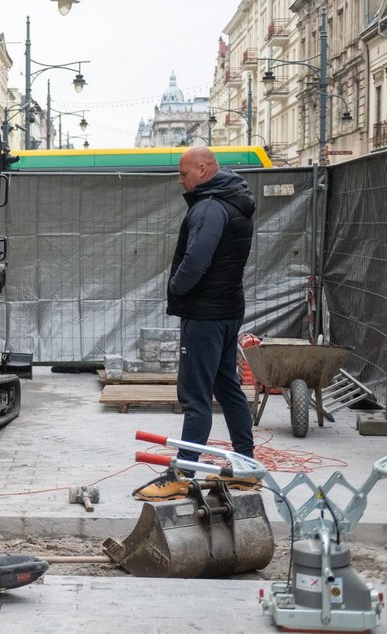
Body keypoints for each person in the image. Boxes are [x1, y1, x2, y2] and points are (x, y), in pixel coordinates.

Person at [133, 146, 258, 501]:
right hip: (228, 308)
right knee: (227, 386)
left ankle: (183, 473)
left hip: (205, 314)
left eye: (184, 173)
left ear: (203, 170)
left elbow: (196, 260)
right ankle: (246, 467)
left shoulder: (210, 207)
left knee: (195, 397)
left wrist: (176, 286)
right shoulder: (236, 200)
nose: (180, 179)